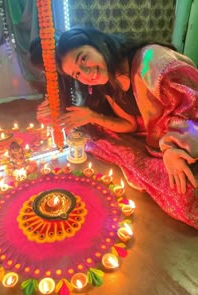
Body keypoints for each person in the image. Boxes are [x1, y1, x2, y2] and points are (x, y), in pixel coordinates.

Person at [54, 26, 198, 229]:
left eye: (83, 58)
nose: (87, 73)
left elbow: (192, 103)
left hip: (189, 139)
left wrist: (176, 148)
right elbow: (129, 124)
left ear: (100, 44)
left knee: (185, 194)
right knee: (100, 140)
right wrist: (92, 116)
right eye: (77, 73)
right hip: (159, 142)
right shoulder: (109, 81)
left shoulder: (151, 60)